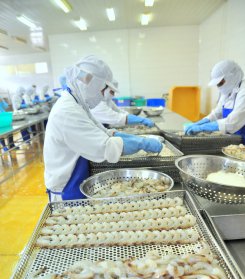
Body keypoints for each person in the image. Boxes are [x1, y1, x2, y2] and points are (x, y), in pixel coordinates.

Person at [44, 55, 162, 201]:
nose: (102, 96)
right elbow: (105, 147)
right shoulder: (68, 112)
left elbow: (101, 131)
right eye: (102, 90)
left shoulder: (77, 104)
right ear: (91, 85)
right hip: (66, 190)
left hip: (75, 179)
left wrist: (117, 134)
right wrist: (141, 143)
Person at [184, 60, 245, 145]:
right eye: (217, 84)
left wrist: (202, 128)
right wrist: (202, 122)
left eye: (221, 82)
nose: (219, 86)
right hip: (235, 141)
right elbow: (217, 113)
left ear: (232, 76)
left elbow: (232, 122)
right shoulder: (227, 92)